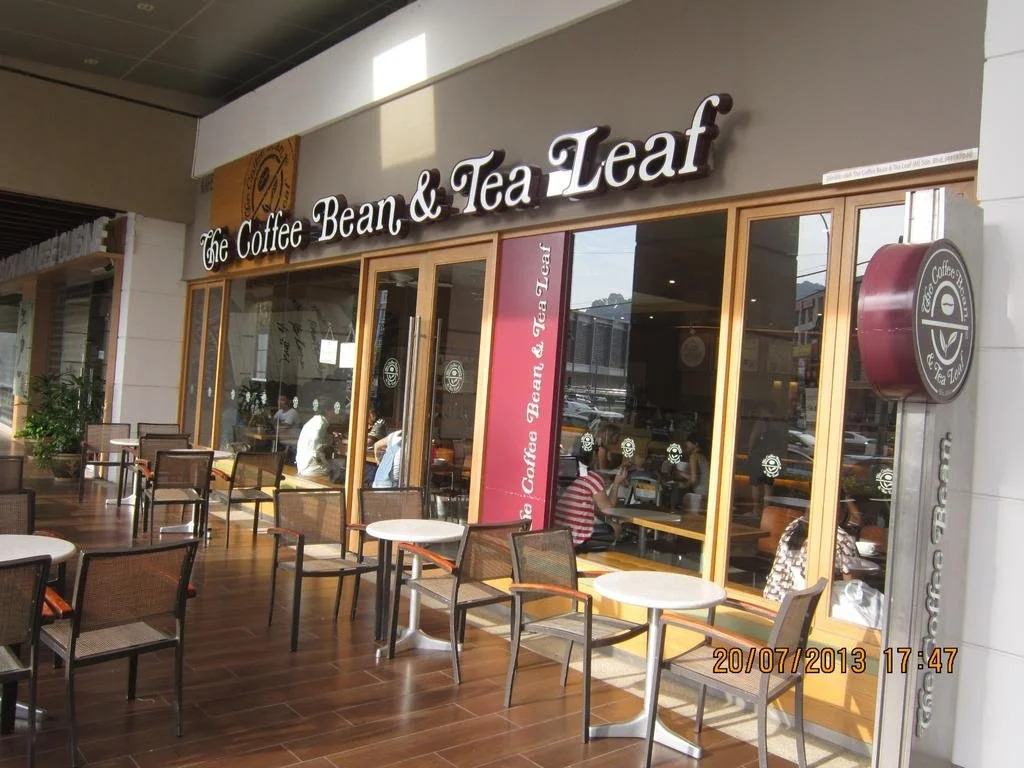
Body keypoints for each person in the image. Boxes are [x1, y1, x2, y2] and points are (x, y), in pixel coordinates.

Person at [763, 513, 858, 602]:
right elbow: (852, 586)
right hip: (799, 606)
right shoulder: (840, 536)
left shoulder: (793, 526)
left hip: (772, 598)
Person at [553, 458, 628, 551]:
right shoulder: (591, 478)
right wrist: (616, 483)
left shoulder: (562, 474)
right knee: (616, 528)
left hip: (555, 533)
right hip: (576, 539)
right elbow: (608, 509)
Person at [746, 404, 786, 514]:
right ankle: (766, 511)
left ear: (764, 410)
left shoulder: (761, 423)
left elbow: (752, 438)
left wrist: (750, 453)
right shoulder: (777, 424)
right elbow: (781, 443)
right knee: (768, 485)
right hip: (771, 458)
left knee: (756, 484)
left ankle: (756, 509)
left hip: (758, 456)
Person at [295, 413, 344, 483]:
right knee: (343, 464)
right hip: (311, 468)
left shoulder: (314, 421)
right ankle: (336, 487)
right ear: (329, 411)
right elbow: (320, 451)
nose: (339, 420)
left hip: (302, 465)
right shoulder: (322, 423)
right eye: (338, 416)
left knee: (337, 464)